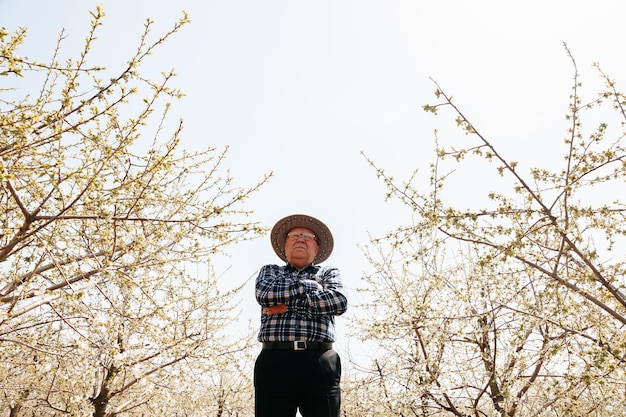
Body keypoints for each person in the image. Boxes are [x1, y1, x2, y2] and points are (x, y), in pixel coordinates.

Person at [254, 214, 348, 417]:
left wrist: (286, 307)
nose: (301, 239)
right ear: (285, 246)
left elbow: (339, 301)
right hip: (274, 360)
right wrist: (310, 286)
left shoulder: (328, 272)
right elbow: (264, 294)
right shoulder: (270, 271)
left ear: (316, 249)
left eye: (308, 237)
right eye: (294, 235)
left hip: (320, 360)